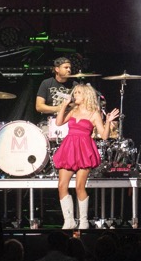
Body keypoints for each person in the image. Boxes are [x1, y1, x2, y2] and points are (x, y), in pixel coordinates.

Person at [50, 82, 119, 230]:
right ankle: (69, 221)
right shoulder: (73, 111)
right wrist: (64, 105)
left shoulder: (94, 113)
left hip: (84, 149)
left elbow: (104, 136)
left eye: (78, 93)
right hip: (69, 149)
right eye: (75, 93)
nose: (75, 95)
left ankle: (83, 221)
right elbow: (59, 122)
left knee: (79, 186)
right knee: (62, 185)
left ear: (86, 95)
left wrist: (108, 122)